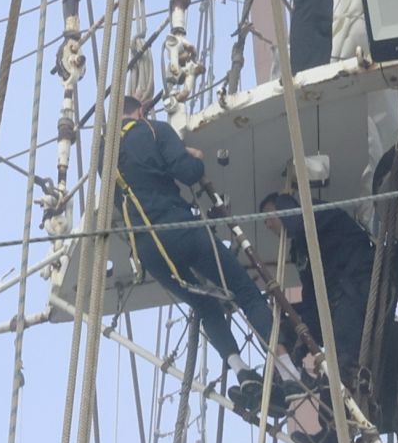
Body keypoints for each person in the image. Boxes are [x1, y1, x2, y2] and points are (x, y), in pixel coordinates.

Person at [116, 92, 283, 398]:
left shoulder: (106, 157)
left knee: (205, 306)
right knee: (245, 291)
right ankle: (287, 373)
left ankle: (241, 372)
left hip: (149, 250)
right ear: (140, 112)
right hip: (180, 228)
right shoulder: (154, 130)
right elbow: (188, 173)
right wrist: (193, 157)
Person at [259, 192, 398, 443]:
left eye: (269, 216)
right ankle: (290, 379)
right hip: (335, 303)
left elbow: (298, 221)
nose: (267, 224)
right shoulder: (300, 250)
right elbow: (311, 301)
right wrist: (289, 318)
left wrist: (288, 204)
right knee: (284, 328)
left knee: (341, 366)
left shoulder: (317, 215)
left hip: (356, 293)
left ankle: (333, 438)